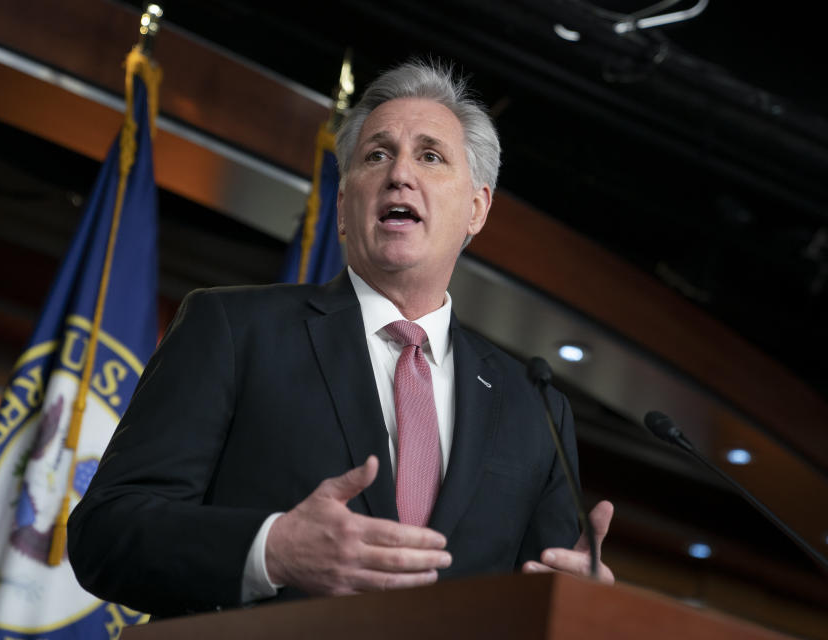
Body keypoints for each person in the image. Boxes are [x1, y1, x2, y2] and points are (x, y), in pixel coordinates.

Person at [67, 60, 614, 618]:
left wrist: (573, 603)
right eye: (376, 155)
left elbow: (537, 593)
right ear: (344, 209)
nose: (400, 174)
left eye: (430, 156)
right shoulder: (233, 329)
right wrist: (271, 550)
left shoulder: (535, 406)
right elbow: (106, 531)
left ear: (477, 207)